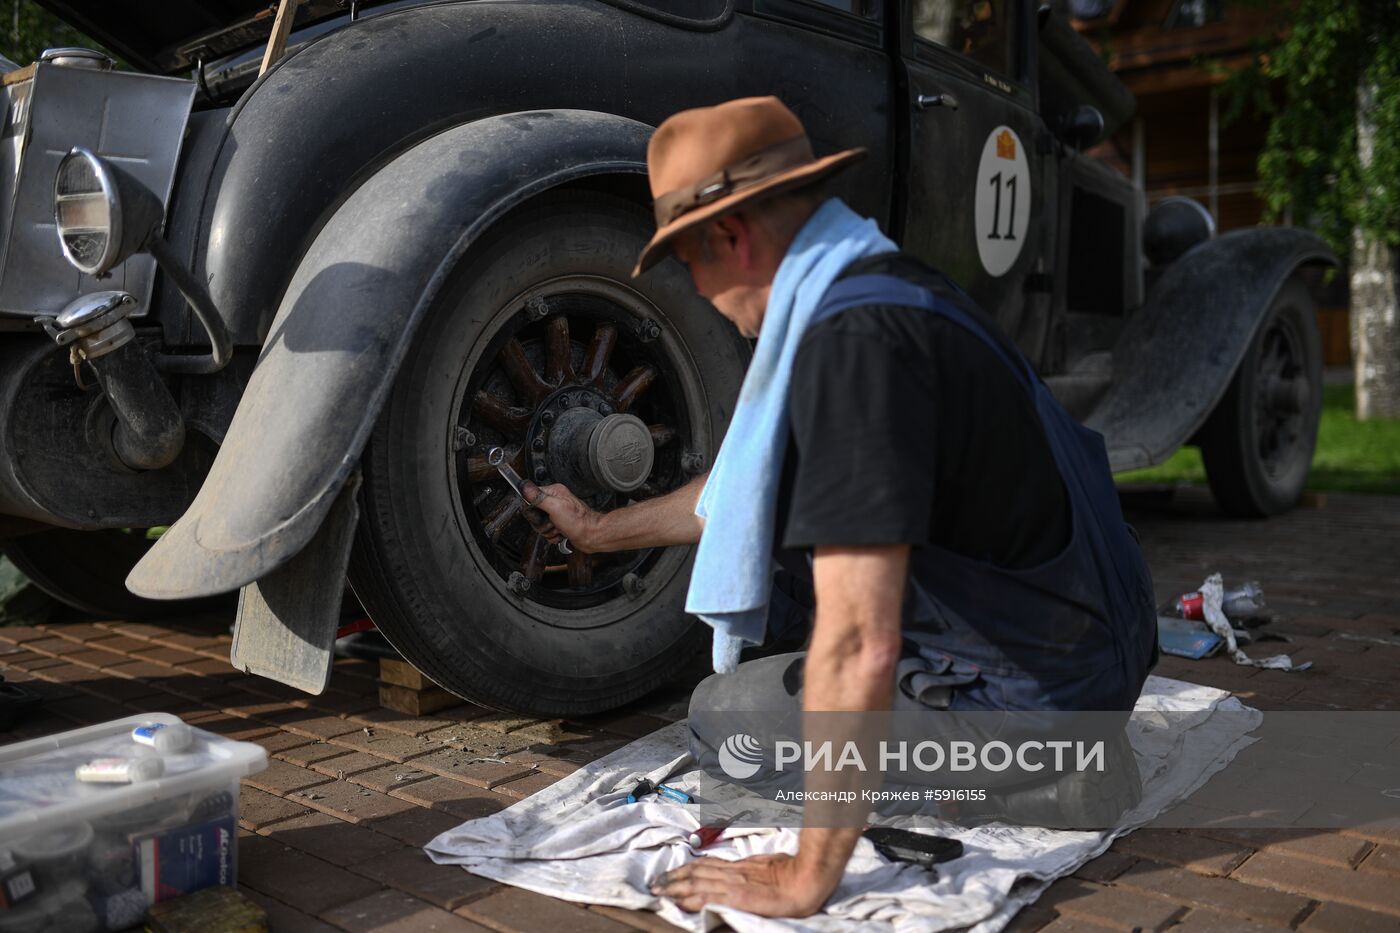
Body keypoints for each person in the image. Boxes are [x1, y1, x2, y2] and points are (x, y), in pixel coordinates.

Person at [522, 96, 1157, 918]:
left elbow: (859, 639)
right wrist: (599, 530)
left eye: (689, 263)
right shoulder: (886, 285)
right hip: (1089, 629)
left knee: (730, 724)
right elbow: (740, 499)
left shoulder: (855, 350)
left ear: (728, 235)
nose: (704, 292)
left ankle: (1056, 780)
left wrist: (808, 872)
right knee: (787, 588)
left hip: (1050, 691)